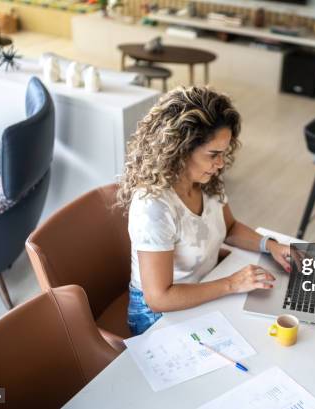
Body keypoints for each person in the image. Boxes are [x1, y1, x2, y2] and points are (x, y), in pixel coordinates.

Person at [116, 86, 291, 336]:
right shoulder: (153, 206)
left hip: (208, 286)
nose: (220, 164)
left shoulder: (204, 181)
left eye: (224, 153)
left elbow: (229, 228)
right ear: (180, 149)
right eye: (213, 155)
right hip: (159, 316)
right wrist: (232, 283)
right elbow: (159, 298)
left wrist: (270, 245)